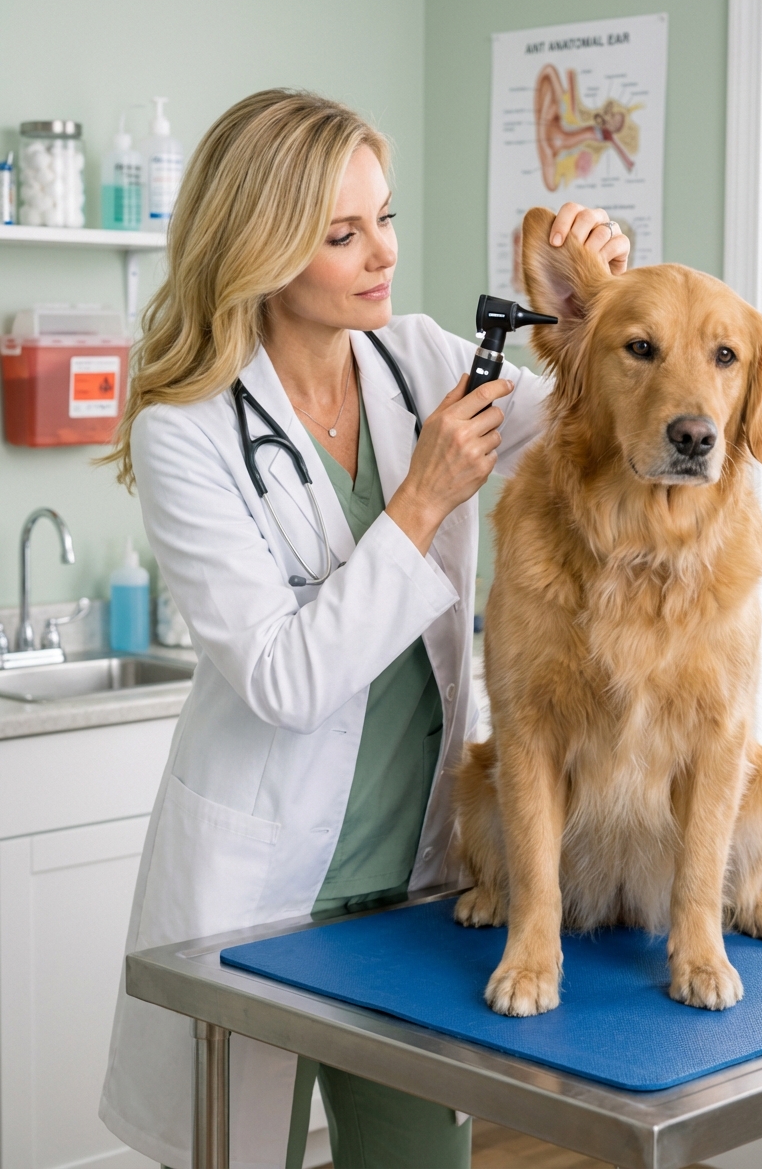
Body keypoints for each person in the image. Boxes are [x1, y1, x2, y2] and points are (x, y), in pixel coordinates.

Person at [99, 89, 629, 1169]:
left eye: (383, 217)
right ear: (259, 246)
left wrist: (596, 310)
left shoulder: (423, 360)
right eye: (341, 235)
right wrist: (422, 500)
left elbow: (598, 420)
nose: (381, 253)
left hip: (409, 881)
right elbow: (286, 680)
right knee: (235, 1150)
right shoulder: (185, 430)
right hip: (259, 893)